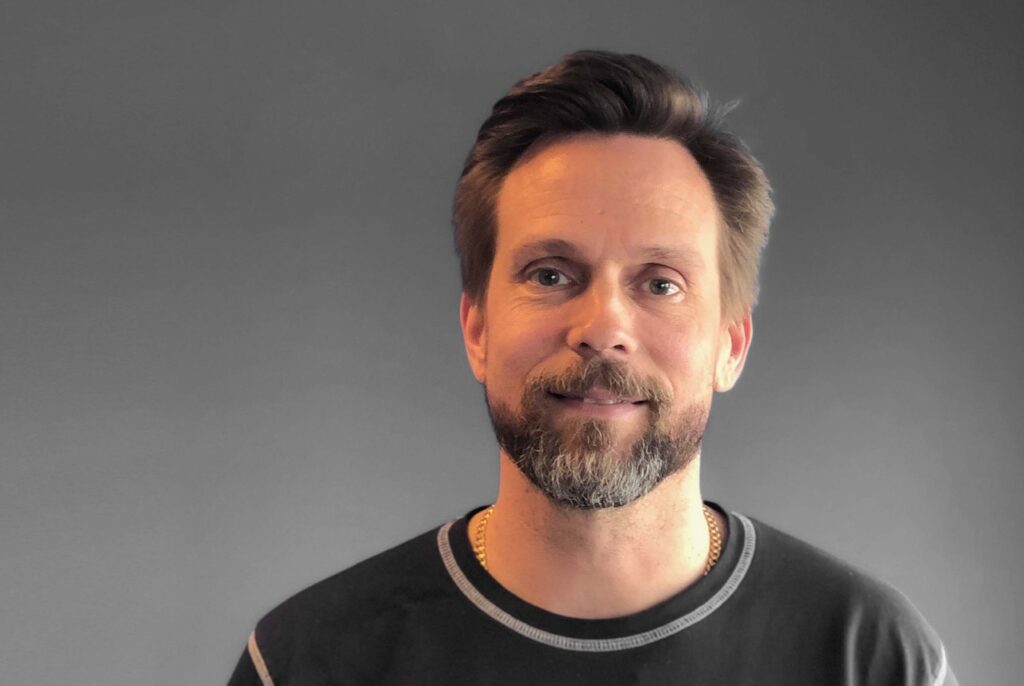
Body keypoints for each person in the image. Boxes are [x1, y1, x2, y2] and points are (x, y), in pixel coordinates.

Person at [227, 50, 956, 685]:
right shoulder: (309, 662)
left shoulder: (871, 659)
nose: (603, 328)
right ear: (477, 330)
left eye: (660, 283)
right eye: (550, 274)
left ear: (730, 346)